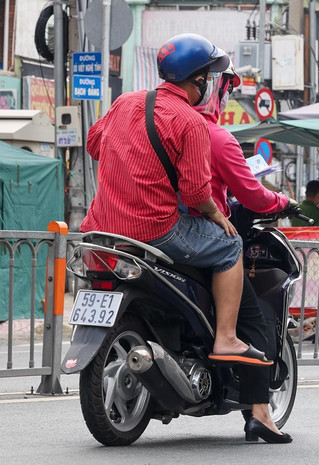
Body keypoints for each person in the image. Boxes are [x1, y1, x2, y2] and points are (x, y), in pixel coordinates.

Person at [81, 33, 270, 367]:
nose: (211, 85)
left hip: (102, 228)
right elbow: (197, 193)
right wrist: (218, 217)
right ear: (198, 79)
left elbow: (94, 145)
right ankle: (226, 338)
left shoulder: (125, 102)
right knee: (230, 246)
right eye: (210, 77)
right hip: (156, 230)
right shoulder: (191, 121)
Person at [193, 60, 293, 443]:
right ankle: (259, 412)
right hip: (197, 234)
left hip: (142, 230)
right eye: (226, 89)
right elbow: (252, 194)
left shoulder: (158, 124)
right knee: (254, 320)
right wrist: (282, 200)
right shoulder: (216, 137)